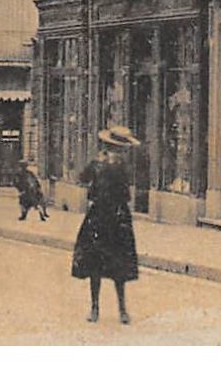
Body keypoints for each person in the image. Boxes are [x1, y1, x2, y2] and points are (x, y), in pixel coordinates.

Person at [72, 125, 141, 325]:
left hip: (98, 216)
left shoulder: (97, 162)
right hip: (118, 217)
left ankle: (95, 308)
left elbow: (82, 178)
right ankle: (122, 310)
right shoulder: (123, 165)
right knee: (119, 264)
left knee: (95, 263)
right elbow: (127, 195)